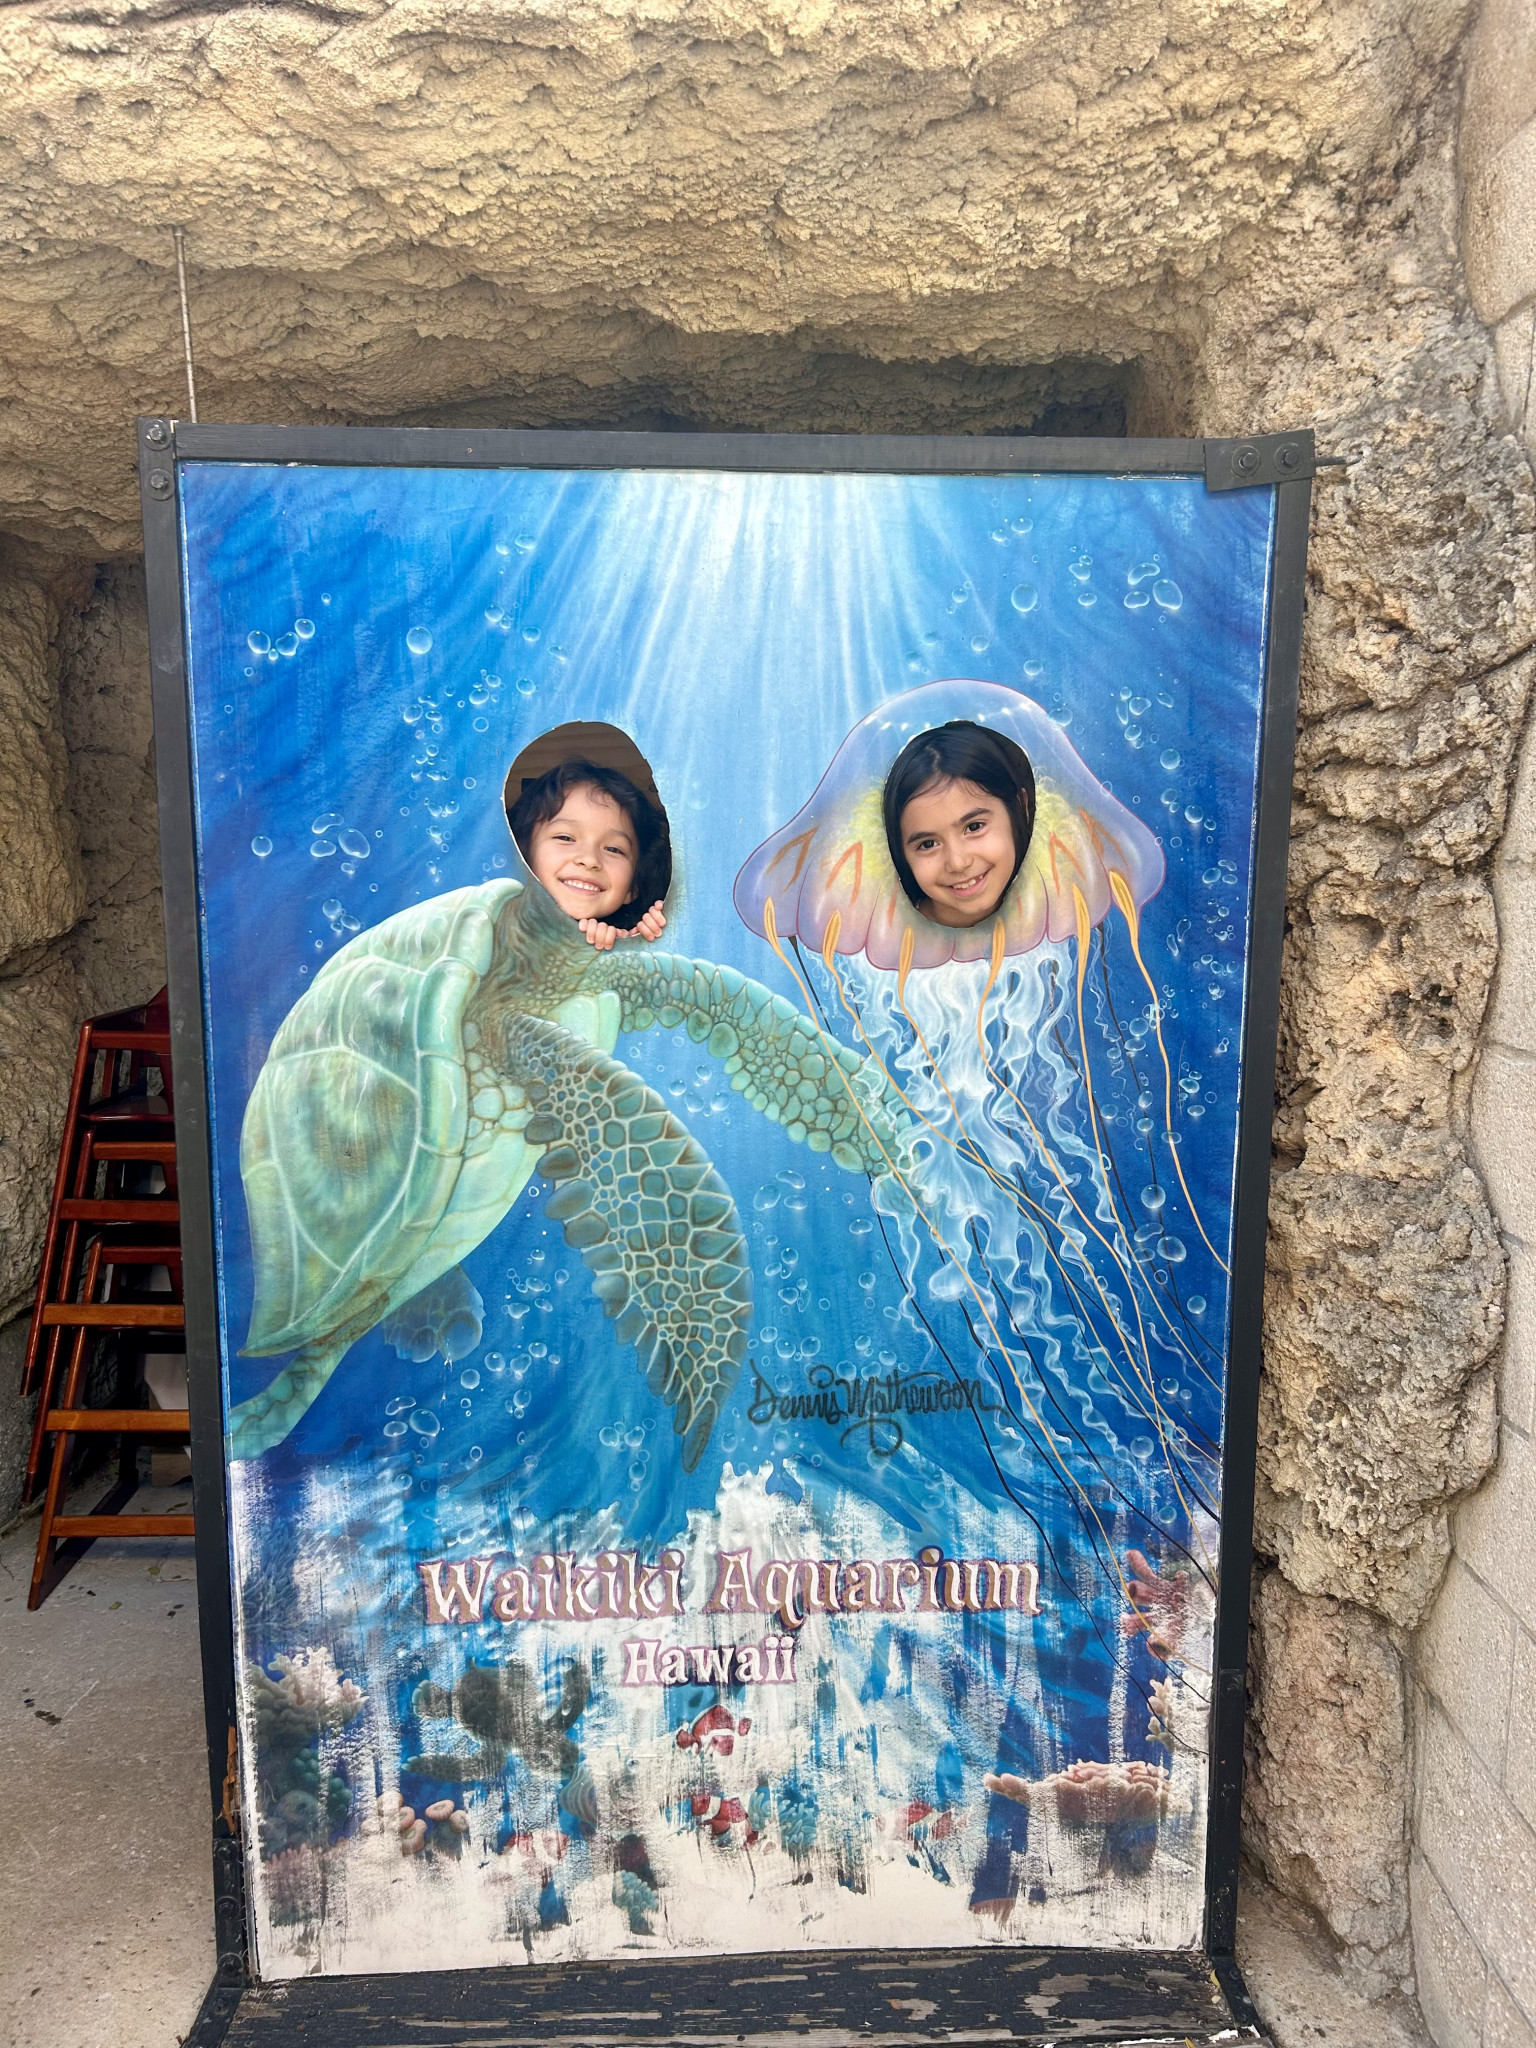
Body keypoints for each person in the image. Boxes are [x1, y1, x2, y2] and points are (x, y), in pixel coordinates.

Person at [882, 720, 1036, 929]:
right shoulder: (888, 938)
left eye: (974, 827)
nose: (957, 863)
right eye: (928, 844)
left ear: (1021, 806)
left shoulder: (1066, 916)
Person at [507, 757, 670, 951]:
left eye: (613, 849)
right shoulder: (489, 927)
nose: (589, 859)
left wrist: (642, 944)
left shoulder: (626, 939)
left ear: (633, 887)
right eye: (565, 838)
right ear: (522, 855)